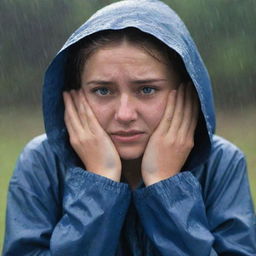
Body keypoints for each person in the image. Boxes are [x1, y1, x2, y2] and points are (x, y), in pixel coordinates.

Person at [3, 0, 256, 255]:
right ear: (76, 94)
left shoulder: (221, 163)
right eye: (103, 90)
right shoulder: (42, 163)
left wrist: (166, 187)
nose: (125, 114)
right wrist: (99, 184)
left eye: (147, 90)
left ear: (188, 94)